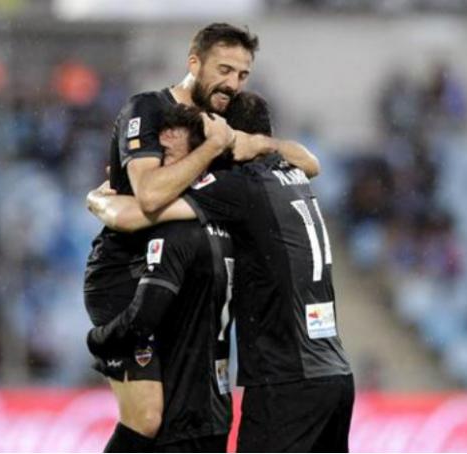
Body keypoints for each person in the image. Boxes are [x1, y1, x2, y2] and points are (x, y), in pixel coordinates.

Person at [84, 22, 320, 452]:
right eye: (224, 69)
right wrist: (213, 149)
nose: (232, 83)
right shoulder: (148, 109)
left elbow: (309, 162)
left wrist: (256, 143)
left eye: (242, 75)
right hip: (129, 273)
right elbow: (150, 197)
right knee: (149, 416)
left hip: (190, 276)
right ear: (194, 62)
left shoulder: (223, 119)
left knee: (192, 416)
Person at [87, 104, 235, 452]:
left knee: (151, 418)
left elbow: (147, 309)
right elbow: (126, 211)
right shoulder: (212, 214)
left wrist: (95, 198)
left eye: (170, 156)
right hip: (119, 287)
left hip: (187, 404)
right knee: (146, 419)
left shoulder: (188, 215)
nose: (158, 168)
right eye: (157, 155)